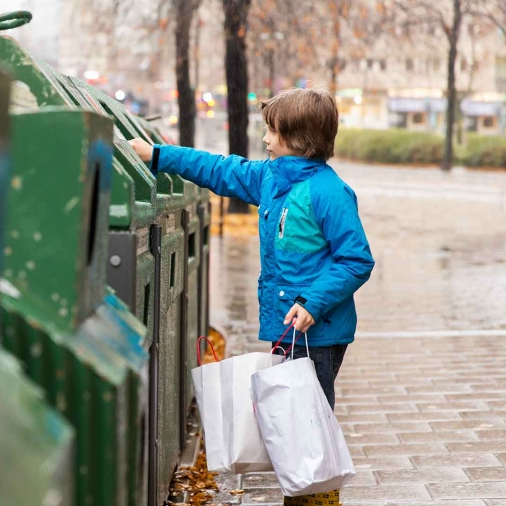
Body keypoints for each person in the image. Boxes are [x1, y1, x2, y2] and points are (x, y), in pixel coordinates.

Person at [130, 87, 374, 505]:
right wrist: (157, 155)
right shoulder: (272, 178)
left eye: (271, 131)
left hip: (319, 330)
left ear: (298, 138)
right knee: (294, 421)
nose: (264, 139)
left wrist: (312, 303)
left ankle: (315, 498)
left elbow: (356, 260)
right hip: (288, 325)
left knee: (309, 422)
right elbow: (221, 169)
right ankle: (299, 494)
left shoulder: (329, 192)